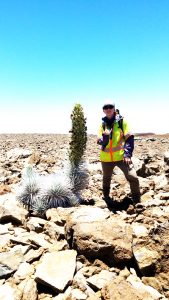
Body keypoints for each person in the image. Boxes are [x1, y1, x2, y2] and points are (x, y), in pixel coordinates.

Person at [97, 101, 140, 208]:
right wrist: (105, 138)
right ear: (103, 110)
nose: (108, 109)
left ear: (114, 108)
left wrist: (127, 154)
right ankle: (106, 197)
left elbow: (129, 138)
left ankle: (137, 201)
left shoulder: (122, 122)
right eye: (105, 107)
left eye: (110, 107)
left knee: (133, 176)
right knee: (106, 178)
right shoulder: (102, 124)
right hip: (106, 158)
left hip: (121, 157)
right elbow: (99, 141)